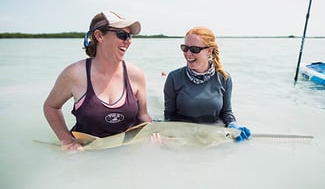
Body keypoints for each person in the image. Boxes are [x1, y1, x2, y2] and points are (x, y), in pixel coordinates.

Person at [43, 10, 152, 151]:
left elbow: (143, 116)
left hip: (126, 153)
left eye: (129, 36)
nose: (128, 41)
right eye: (122, 35)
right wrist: (67, 140)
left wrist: (155, 136)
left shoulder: (136, 74)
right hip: (86, 154)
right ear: (99, 36)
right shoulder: (74, 74)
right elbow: (51, 107)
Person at [163, 26, 251, 142]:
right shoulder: (174, 78)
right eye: (185, 48)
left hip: (213, 139)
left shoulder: (224, 78)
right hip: (183, 140)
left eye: (194, 49)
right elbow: (169, 116)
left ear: (209, 51)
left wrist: (233, 125)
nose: (188, 54)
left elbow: (226, 112)